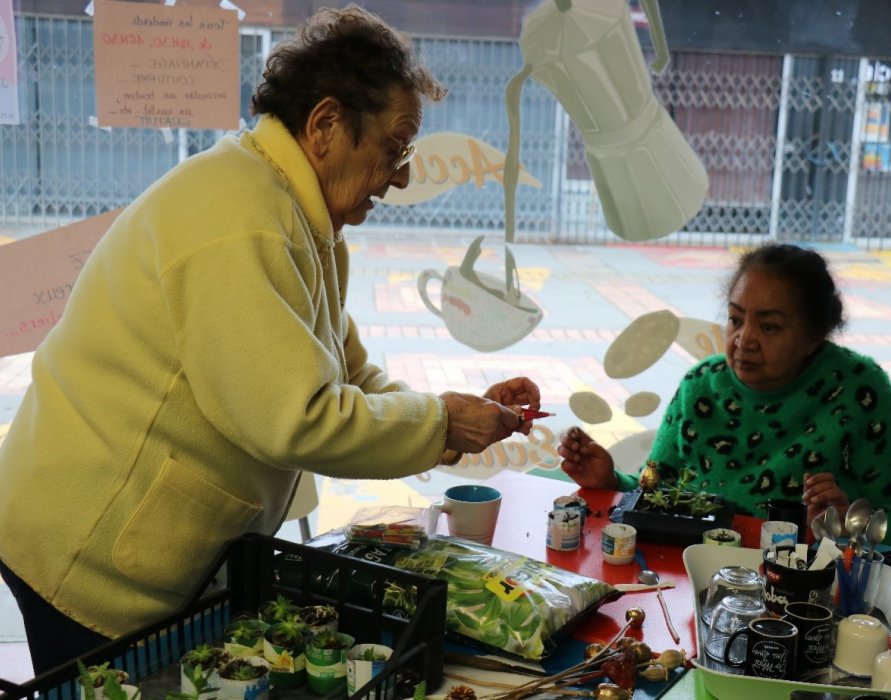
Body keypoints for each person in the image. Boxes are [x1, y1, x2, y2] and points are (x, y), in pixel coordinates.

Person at [0, 5, 540, 673]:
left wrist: (454, 420)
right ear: (325, 126)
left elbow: (347, 378)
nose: (400, 176)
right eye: (395, 148)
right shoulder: (243, 219)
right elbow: (297, 418)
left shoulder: (296, 217)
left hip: (138, 543)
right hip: (86, 549)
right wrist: (441, 423)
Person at [559, 243, 891, 552]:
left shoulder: (857, 389)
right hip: (695, 572)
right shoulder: (700, 385)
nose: (744, 340)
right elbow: (655, 493)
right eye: (736, 319)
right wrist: (609, 480)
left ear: (814, 336)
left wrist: (848, 518)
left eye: (769, 327)